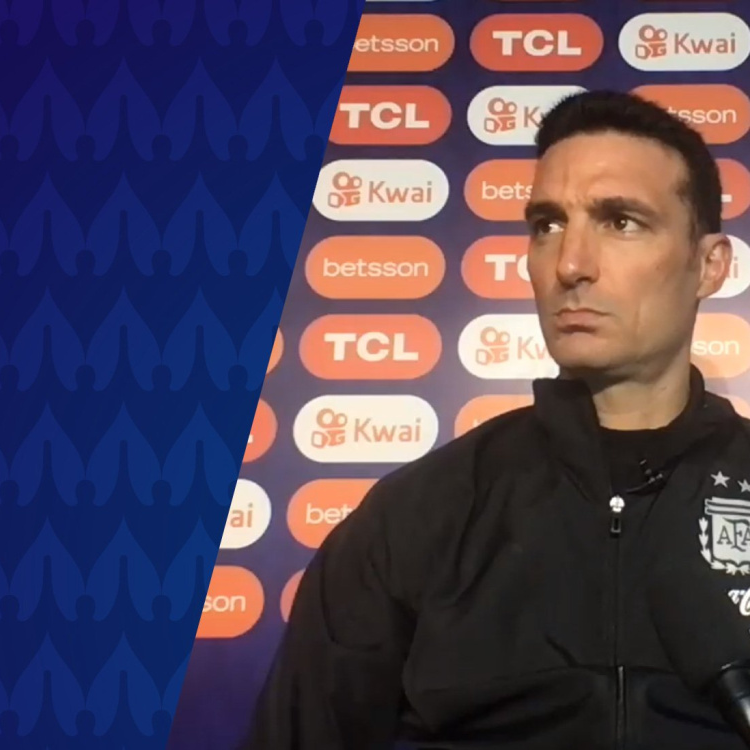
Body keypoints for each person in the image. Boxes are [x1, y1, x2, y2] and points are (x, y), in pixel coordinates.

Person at [240, 89, 750, 749]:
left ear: (709, 266)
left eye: (621, 221)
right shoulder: (415, 515)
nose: (570, 264)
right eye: (547, 225)